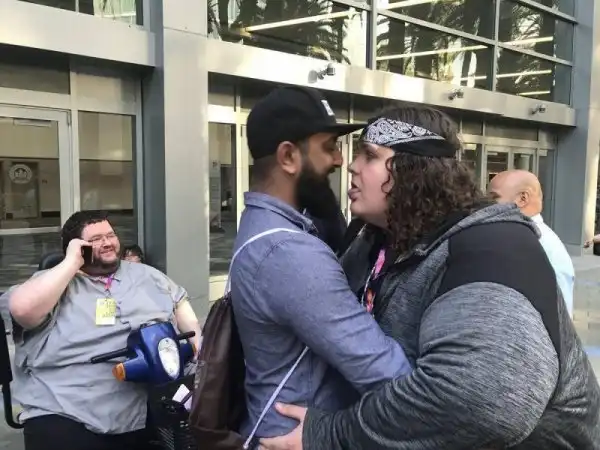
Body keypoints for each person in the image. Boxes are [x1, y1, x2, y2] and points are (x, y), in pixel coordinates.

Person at [259, 105, 600, 450]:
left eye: (369, 155)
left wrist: (333, 434)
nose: (351, 165)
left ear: (414, 169)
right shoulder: (372, 237)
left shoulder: (492, 248)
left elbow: (483, 404)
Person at [231, 86, 411, 444]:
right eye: (329, 147)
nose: (340, 161)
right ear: (288, 157)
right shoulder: (288, 252)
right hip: (294, 437)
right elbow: (386, 374)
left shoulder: (264, 226)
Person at [8, 210, 201, 450]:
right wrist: (71, 263)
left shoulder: (147, 275)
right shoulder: (51, 282)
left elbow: (179, 302)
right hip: (68, 407)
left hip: (148, 403)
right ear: (76, 247)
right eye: (96, 239)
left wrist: (197, 343)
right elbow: (23, 310)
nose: (108, 242)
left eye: (110, 235)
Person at [489, 169, 575, 317]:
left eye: (494, 197)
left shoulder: (538, 243)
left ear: (523, 198)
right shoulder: (522, 237)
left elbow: (559, 316)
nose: (486, 204)